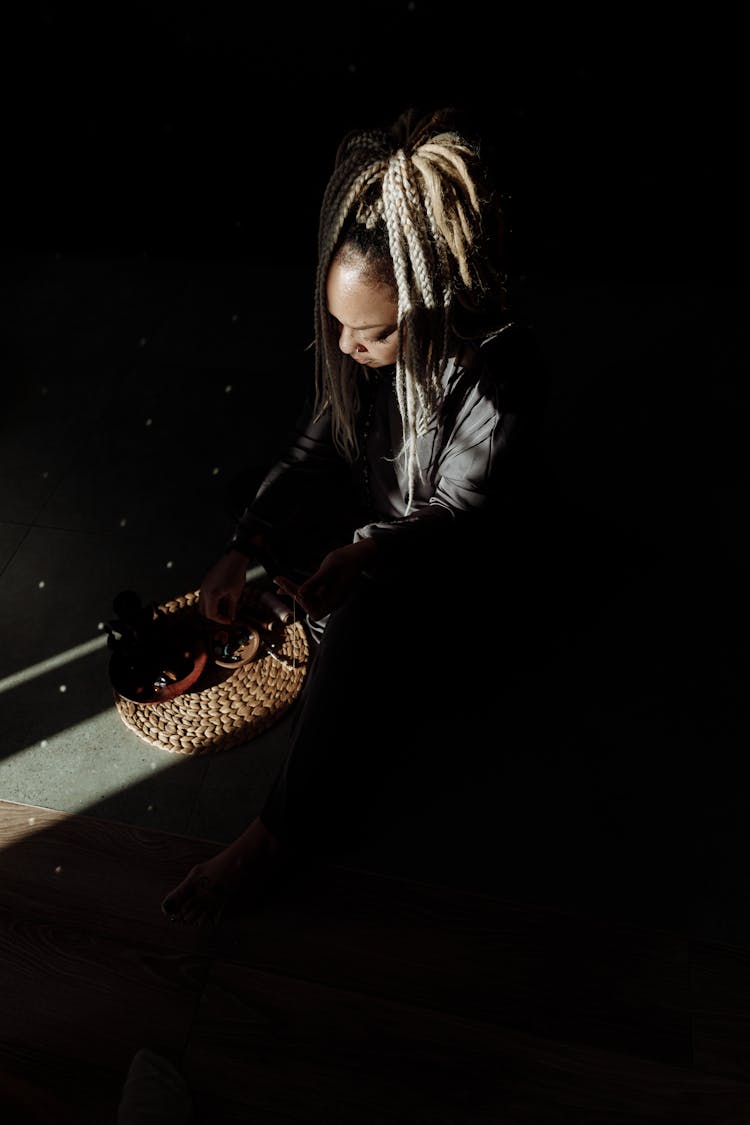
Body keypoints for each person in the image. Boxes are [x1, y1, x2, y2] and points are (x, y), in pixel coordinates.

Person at [161, 105, 549, 926]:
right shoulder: (372, 355)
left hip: (450, 569)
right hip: (379, 525)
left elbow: (454, 516)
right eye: (337, 325)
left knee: (368, 625)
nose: (344, 347)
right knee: (255, 492)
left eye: (366, 334)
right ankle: (335, 620)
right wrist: (246, 545)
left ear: (427, 309)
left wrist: (364, 555)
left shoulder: (499, 378)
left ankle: (271, 838)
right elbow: (320, 443)